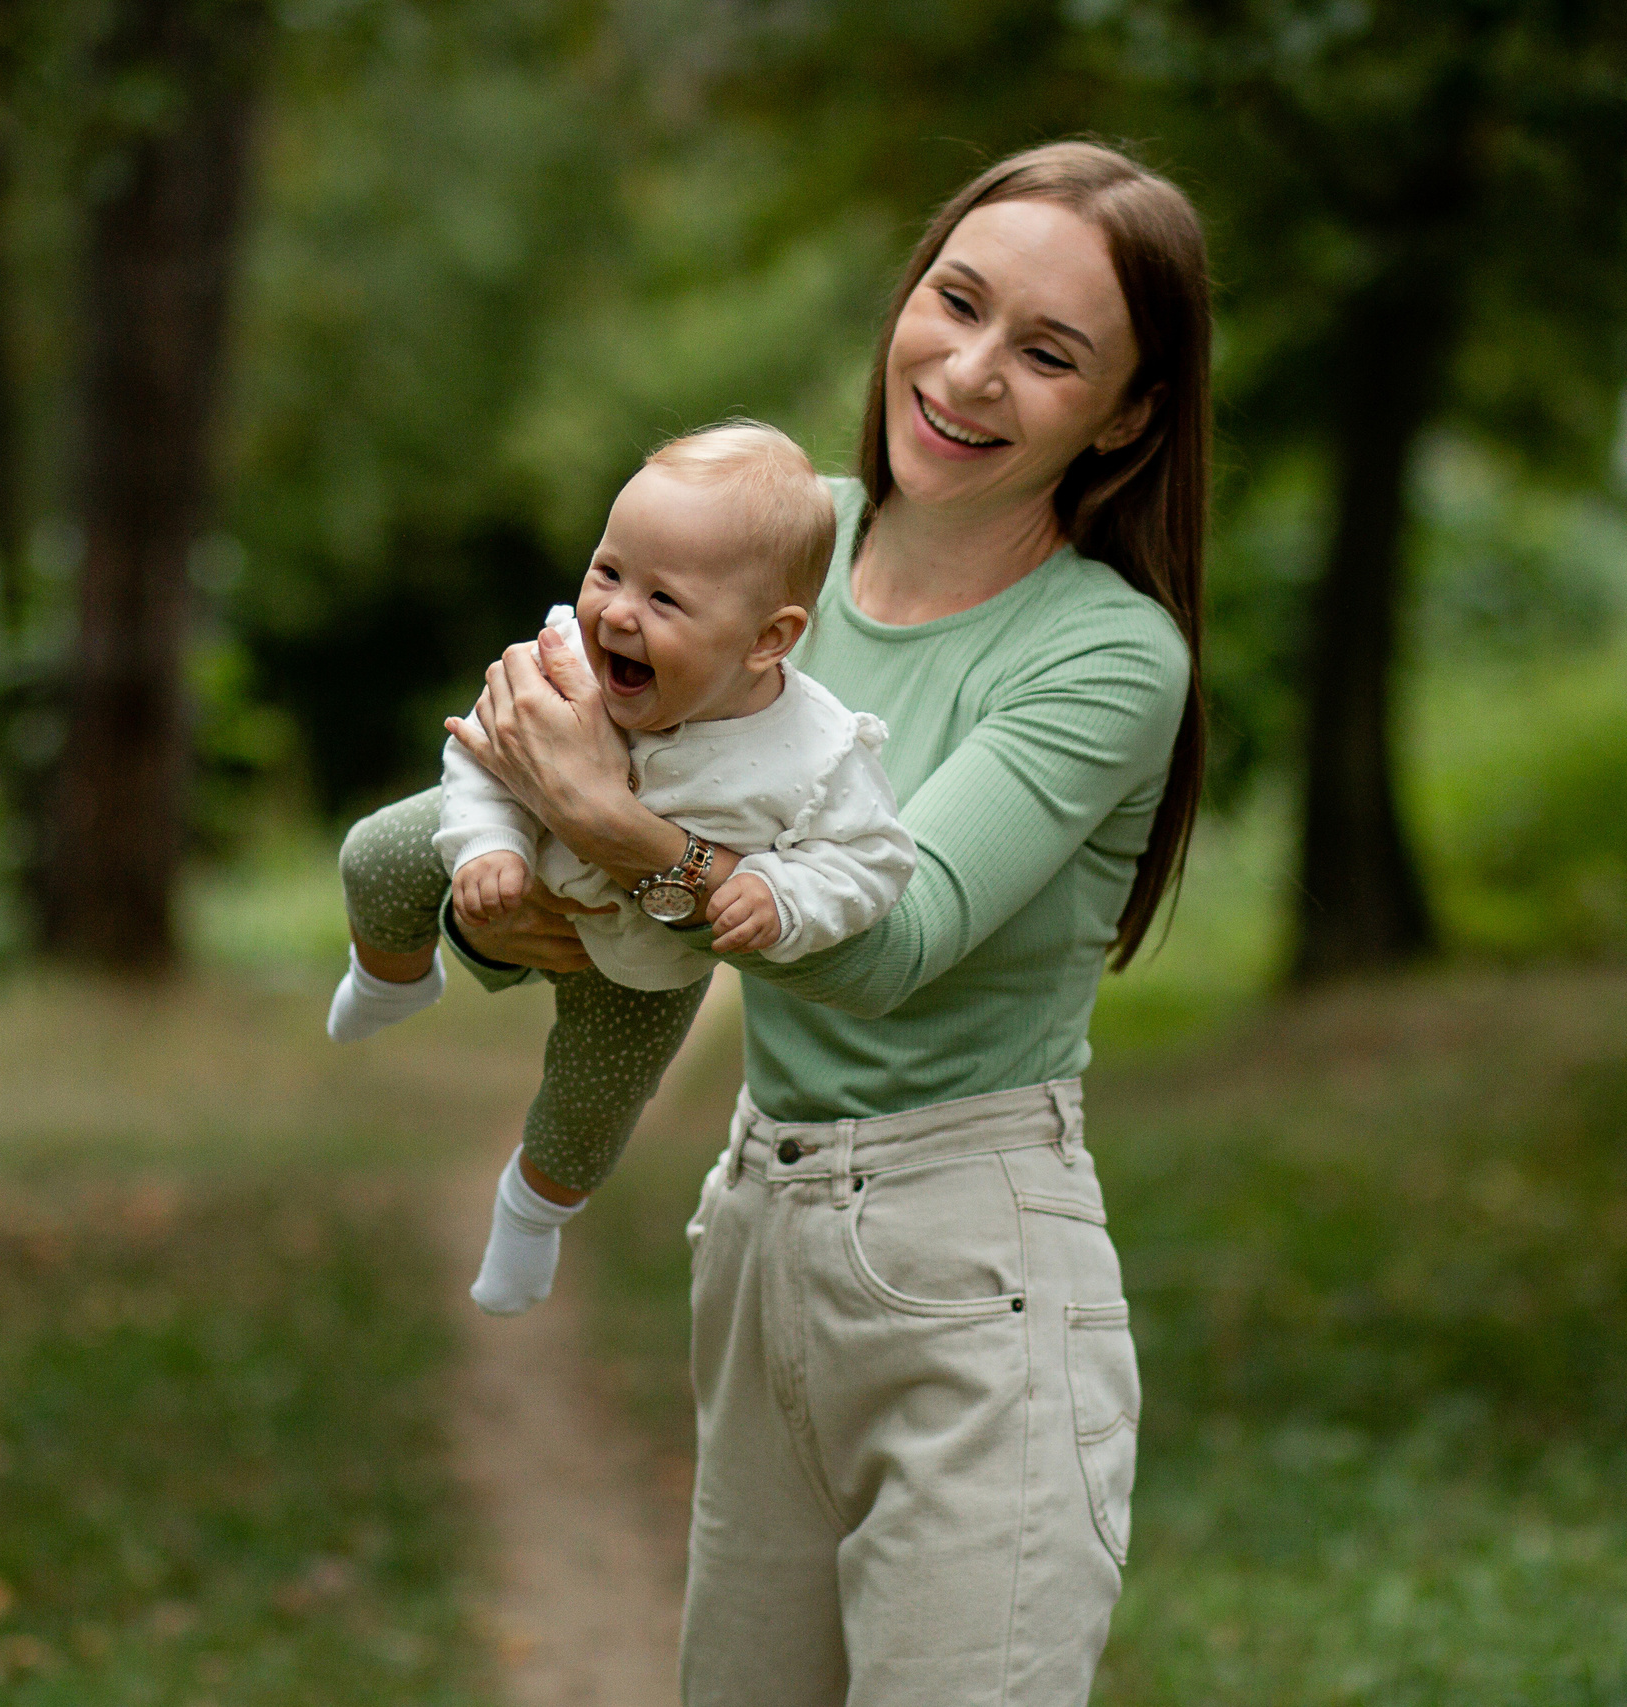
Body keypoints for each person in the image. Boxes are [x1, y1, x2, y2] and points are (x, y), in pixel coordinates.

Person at [379, 137, 1209, 1704]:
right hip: (760, 1228)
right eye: (954, 302)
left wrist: (628, 836)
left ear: (1127, 413)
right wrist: (508, 893)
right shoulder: (770, 543)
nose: (967, 372)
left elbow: (893, 944)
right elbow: (556, 832)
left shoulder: (1106, 654)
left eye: (1049, 353)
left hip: (974, 1266)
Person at [330, 423, 916, 1315]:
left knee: (591, 1107)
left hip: (652, 951)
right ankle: (392, 976)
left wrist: (778, 893)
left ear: (769, 639)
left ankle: (528, 1216)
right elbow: (484, 751)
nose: (616, 613)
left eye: (665, 600)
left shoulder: (814, 756)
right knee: (374, 855)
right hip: (527, 848)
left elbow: (875, 862)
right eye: (608, 570)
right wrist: (490, 846)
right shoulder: (568, 660)